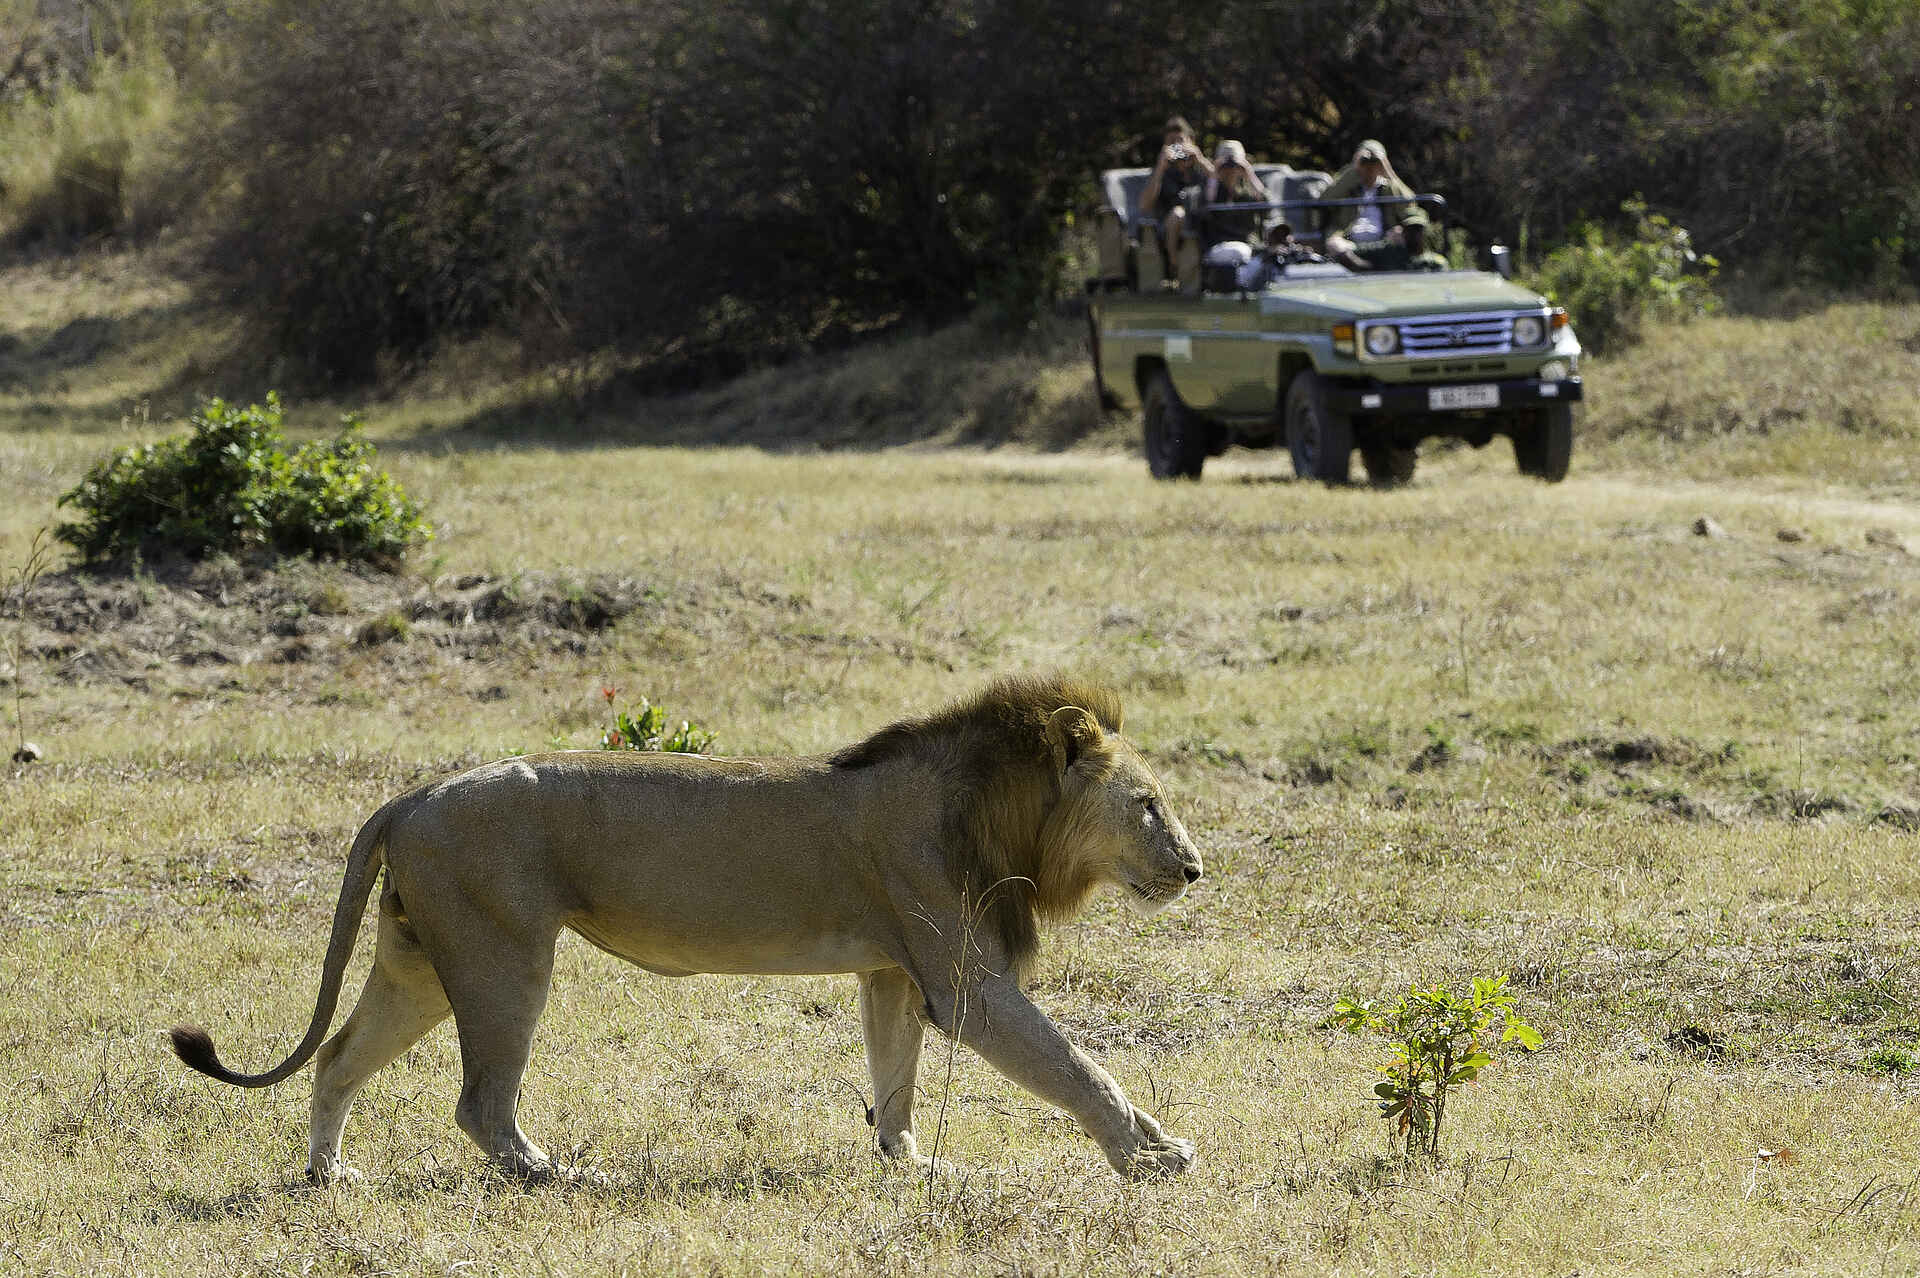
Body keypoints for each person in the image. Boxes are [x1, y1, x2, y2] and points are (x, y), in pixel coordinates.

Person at [1138, 116, 1213, 268]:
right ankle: (1174, 265)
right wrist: (1160, 167)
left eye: (1180, 141)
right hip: (1170, 226)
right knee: (1177, 214)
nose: (1177, 147)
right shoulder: (1161, 172)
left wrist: (1200, 159)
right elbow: (1144, 206)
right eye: (1171, 143)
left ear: (1191, 141)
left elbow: (1220, 183)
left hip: (1202, 220)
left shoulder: (1201, 167)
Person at [1320, 139, 1416, 253]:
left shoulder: (1389, 187)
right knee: (1334, 243)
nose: (1369, 168)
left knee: (1400, 235)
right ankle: (1360, 265)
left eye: (1375, 163)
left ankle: (1365, 264)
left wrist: (1388, 172)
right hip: (1348, 240)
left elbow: (1410, 204)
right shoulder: (1348, 186)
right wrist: (1353, 169)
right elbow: (1324, 201)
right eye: (1364, 163)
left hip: (1384, 240)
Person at [1195, 140, 1270, 248]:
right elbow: (1206, 203)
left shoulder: (1249, 190)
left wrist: (1249, 173)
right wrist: (1214, 174)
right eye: (1225, 166)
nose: (1230, 170)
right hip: (1219, 243)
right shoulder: (1210, 188)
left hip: (1248, 243)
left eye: (1235, 166)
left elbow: (1266, 203)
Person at [1332, 209, 1449, 272]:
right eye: (1410, 229)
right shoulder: (1389, 251)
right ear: (1403, 230)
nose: (1415, 234)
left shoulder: (1435, 263)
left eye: (1418, 229)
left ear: (1425, 231)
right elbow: (1353, 250)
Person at [1235, 220, 1329, 290]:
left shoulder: (1299, 253)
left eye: (1284, 234)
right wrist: (1268, 256)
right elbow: (1245, 281)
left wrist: (1304, 254)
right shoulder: (1259, 259)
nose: (1281, 239)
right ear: (1268, 240)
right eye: (1276, 236)